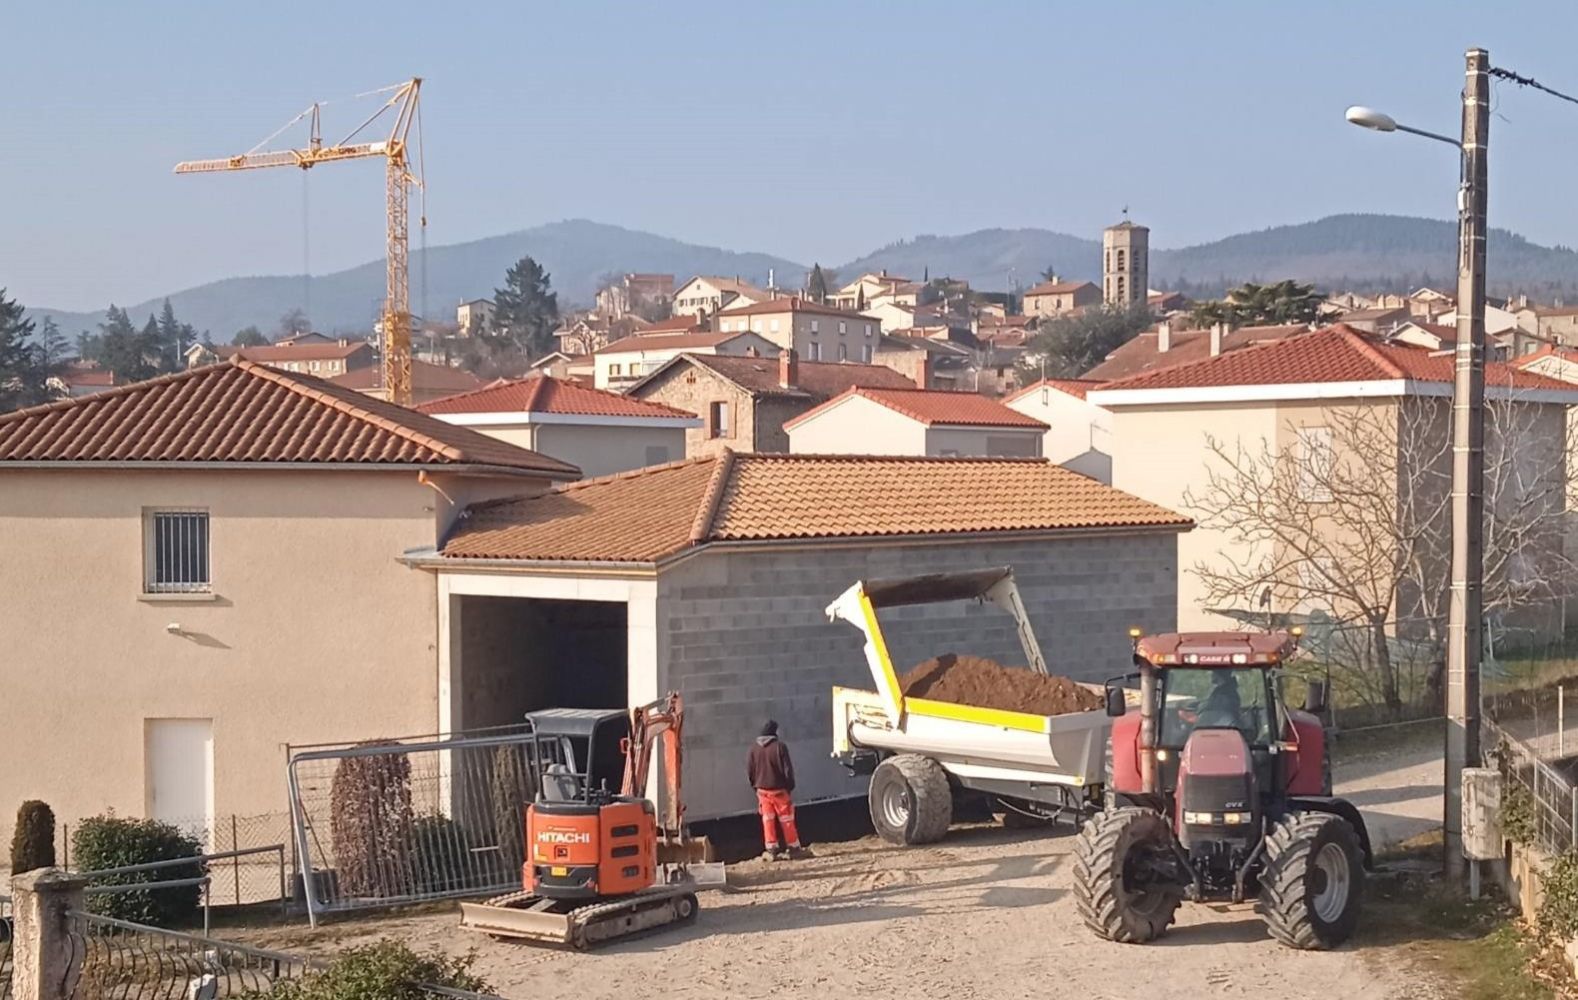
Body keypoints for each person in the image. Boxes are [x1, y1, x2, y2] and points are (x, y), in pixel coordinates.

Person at [747, 720, 810, 860]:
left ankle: (771, 850)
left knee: (767, 820)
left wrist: (755, 788)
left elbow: (750, 771)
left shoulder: (753, 749)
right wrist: (789, 787)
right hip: (779, 790)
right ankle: (794, 848)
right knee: (787, 819)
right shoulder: (780, 747)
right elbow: (787, 770)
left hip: (762, 791)